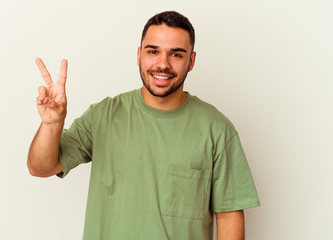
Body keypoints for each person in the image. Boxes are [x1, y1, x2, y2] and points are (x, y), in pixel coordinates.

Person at [28, 11, 260, 240]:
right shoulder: (102, 116)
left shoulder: (217, 130)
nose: (163, 64)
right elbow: (40, 167)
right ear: (139, 55)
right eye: (153, 51)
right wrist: (52, 124)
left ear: (192, 61)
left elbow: (229, 217)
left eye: (176, 54)